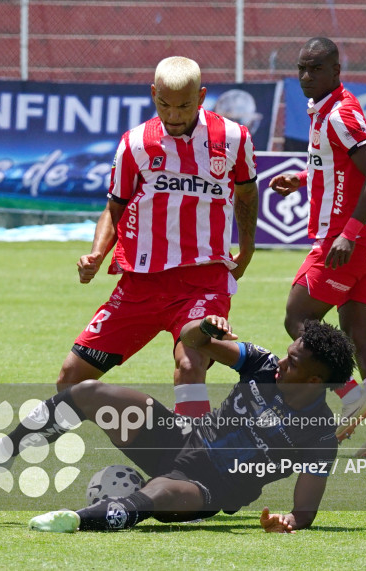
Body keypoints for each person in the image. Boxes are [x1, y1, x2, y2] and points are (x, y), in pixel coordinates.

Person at [0, 315, 355, 533]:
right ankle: (2, 451)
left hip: (210, 488)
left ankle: (75, 519)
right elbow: (195, 341)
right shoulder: (264, 365)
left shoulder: (319, 433)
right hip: (181, 439)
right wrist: (205, 327)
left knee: (157, 493)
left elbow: (305, 510)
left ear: (316, 381)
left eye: (293, 363)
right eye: (287, 354)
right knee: (93, 392)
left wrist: (289, 521)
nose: (282, 362)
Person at [56, 56, 259, 417]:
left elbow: (245, 193)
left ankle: (190, 463)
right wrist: (97, 255)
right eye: (164, 104)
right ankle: (151, 429)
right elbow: (114, 207)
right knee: (70, 380)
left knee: (189, 363)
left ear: (201, 97)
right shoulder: (135, 143)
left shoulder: (233, 138)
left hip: (203, 280)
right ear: (153, 94)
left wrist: (247, 248)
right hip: (140, 284)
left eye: (183, 106)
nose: (174, 115)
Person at [268, 37, 366, 458]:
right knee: (362, 337)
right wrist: (302, 179)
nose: (307, 76)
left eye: (316, 69)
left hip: (349, 241)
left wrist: (348, 232)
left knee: (297, 317)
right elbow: (341, 167)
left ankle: (353, 399)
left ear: (336, 71)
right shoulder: (328, 110)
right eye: (302, 68)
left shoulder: (339, 112)